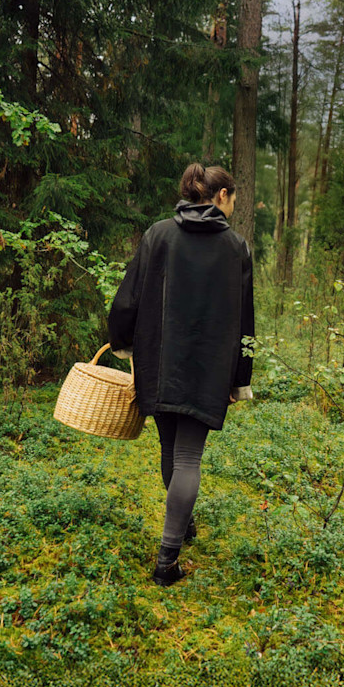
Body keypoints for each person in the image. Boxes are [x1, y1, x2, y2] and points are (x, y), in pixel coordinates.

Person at [108, 163, 255, 587]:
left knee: (171, 450)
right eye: (235, 197)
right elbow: (245, 322)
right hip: (208, 367)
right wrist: (239, 378)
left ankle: (180, 519)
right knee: (188, 457)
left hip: (159, 359)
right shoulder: (237, 248)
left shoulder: (158, 234)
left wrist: (123, 344)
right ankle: (167, 561)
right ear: (222, 196)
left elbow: (127, 299)